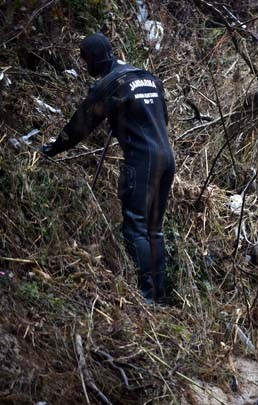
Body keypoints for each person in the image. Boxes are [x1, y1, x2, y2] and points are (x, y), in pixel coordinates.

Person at [41, 33, 175, 304]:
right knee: (154, 229)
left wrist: (53, 149)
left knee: (136, 228)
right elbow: (162, 118)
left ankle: (147, 297)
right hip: (167, 158)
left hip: (142, 161)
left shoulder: (109, 85)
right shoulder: (148, 77)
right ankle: (160, 296)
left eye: (84, 60)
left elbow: (80, 126)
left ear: (90, 59)